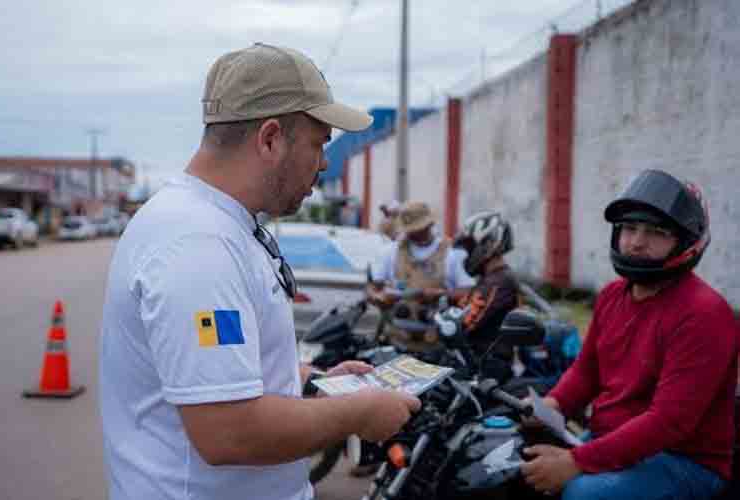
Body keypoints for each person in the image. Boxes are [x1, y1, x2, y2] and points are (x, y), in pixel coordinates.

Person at [99, 43, 421, 500]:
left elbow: (216, 378)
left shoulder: (216, 225)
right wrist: (357, 414)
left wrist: (311, 381)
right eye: (319, 143)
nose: (325, 162)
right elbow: (228, 431)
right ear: (270, 139)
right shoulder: (198, 245)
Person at [520, 169, 739, 500]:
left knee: (582, 493)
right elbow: (586, 371)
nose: (636, 242)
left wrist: (576, 461)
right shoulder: (612, 296)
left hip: (683, 461)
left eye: (656, 232)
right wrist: (553, 404)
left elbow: (668, 422)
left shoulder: (704, 313)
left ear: (685, 242)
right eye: (629, 228)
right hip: (611, 439)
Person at [367, 201, 475, 346]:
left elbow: (469, 292)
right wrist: (379, 298)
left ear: (430, 225)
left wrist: (440, 294)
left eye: (419, 229)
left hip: (437, 344)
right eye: (411, 230)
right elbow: (374, 288)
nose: (415, 233)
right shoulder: (391, 252)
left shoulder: (452, 253)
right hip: (397, 342)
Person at [451, 210, 521, 381]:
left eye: (470, 247)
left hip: (488, 366)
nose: (467, 254)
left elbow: (465, 324)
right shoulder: (490, 278)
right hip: (475, 359)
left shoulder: (500, 281)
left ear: (489, 244)